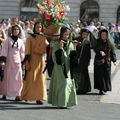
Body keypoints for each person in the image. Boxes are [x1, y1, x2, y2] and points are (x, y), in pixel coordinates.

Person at [48, 26, 77, 108]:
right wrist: (60, 48)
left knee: (68, 85)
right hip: (59, 69)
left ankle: (66, 102)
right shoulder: (57, 44)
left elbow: (73, 59)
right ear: (61, 34)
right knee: (62, 85)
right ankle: (60, 103)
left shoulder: (70, 44)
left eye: (68, 35)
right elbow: (56, 60)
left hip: (68, 69)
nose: (66, 36)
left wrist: (74, 47)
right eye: (65, 34)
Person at [21, 21, 49, 104]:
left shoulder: (44, 37)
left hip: (41, 61)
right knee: (30, 79)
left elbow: (48, 48)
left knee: (40, 79)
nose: (39, 28)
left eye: (40, 27)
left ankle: (39, 98)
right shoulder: (30, 37)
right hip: (32, 60)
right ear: (34, 27)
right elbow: (27, 51)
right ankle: (26, 95)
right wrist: (26, 62)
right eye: (37, 27)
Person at [0, 25, 25, 100]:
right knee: (7, 78)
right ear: (12, 31)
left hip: (17, 62)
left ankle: (18, 94)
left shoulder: (20, 41)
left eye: (17, 29)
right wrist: (3, 61)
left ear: (19, 31)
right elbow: (4, 50)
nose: (16, 31)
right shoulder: (8, 40)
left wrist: (22, 61)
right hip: (9, 62)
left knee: (18, 78)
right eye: (14, 29)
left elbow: (22, 52)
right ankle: (5, 92)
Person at [94, 29, 117, 95]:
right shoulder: (97, 41)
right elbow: (95, 48)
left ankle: (105, 88)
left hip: (107, 62)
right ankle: (101, 89)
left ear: (107, 35)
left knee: (106, 75)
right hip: (99, 62)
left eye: (105, 35)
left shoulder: (109, 43)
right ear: (100, 35)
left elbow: (112, 52)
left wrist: (114, 60)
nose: (103, 36)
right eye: (102, 34)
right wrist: (99, 51)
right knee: (100, 76)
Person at [72, 29, 91, 94]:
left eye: (86, 34)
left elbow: (88, 53)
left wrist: (88, 61)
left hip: (84, 60)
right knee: (76, 74)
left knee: (83, 74)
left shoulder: (87, 42)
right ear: (81, 34)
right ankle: (76, 88)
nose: (85, 35)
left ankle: (83, 89)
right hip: (76, 59)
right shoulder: (77, 40)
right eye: (84, 34)